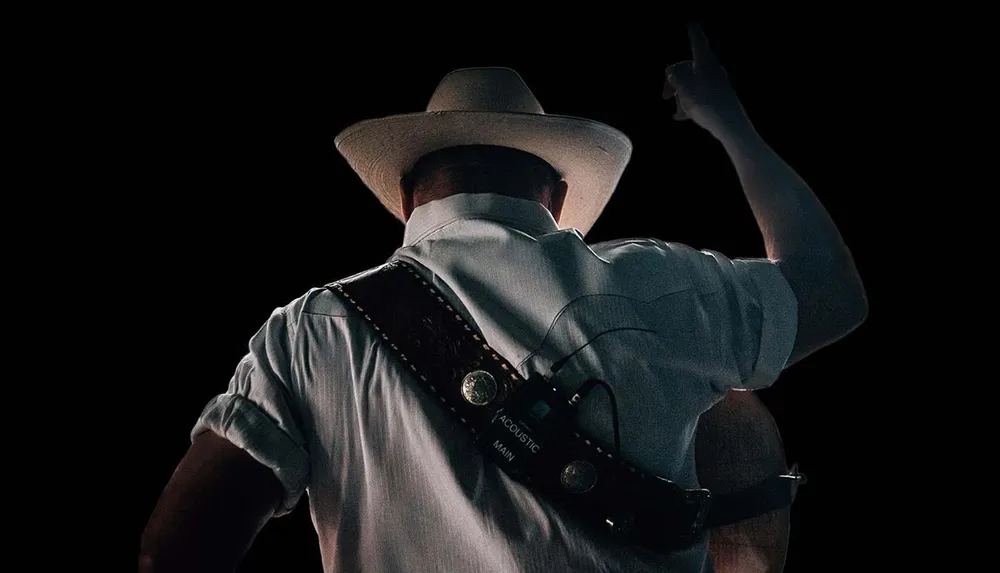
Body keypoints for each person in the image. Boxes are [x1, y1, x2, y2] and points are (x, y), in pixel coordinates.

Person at [140, 24, 867, 573]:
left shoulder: (309, 332)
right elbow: (833, 291)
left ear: (403, 196)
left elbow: (176, 550)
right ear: (557, 195)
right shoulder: (662, 286)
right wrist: (728, 120)